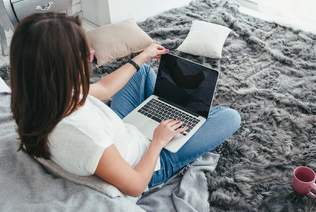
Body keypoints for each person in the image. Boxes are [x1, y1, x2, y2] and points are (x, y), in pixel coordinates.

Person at [10, 12, 241, 197]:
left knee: (141, 73)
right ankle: (171, 113)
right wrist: (158, 141)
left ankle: (161, 108)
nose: (91, 56)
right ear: (66, 66)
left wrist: (143, 56)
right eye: (87, 53)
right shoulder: (86, 137)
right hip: (149, 162)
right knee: (230, 117)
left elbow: (103, 89)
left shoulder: (43, 96)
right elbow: (136, 186)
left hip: (119, 131)